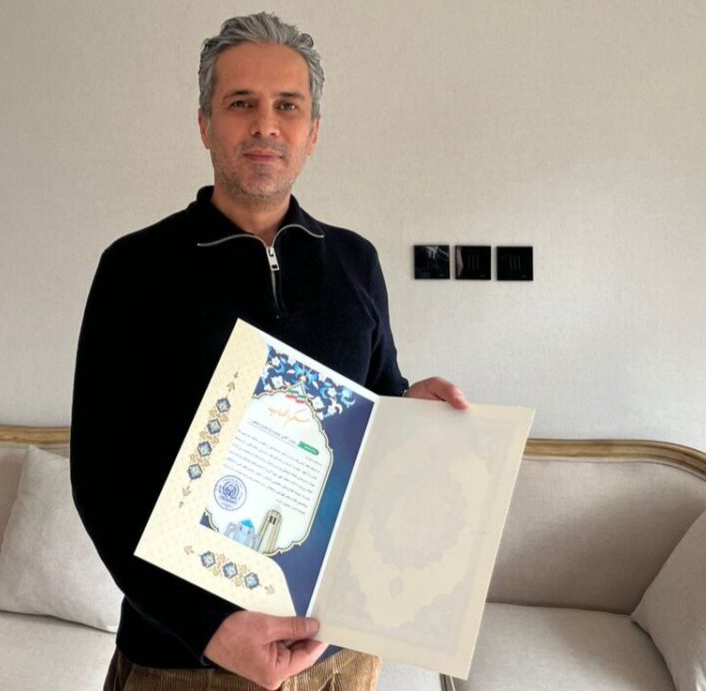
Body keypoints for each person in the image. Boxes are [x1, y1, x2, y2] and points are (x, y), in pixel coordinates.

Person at [70, 12, 468, 691]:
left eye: (288, 106)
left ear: (313, 132)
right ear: (205, 124)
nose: (266, 125)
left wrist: (410, 408)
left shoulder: (356, 262)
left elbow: (374, 410)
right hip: (186, 663)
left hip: (339, 655)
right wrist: (208, 629)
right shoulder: (135, 269)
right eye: (240, 104)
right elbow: (101, 483)